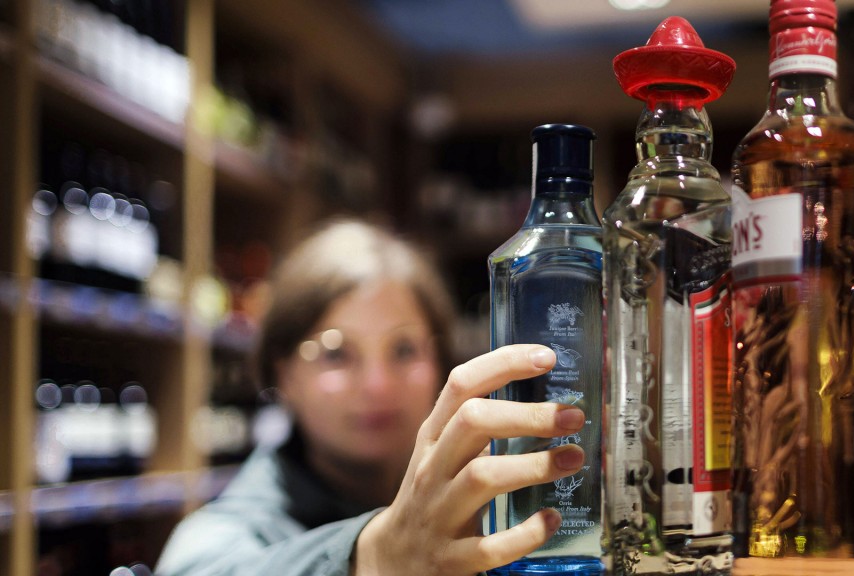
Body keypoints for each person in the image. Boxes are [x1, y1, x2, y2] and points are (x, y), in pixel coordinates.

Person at [155, 219, 587, 575]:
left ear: (440, 361)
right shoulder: (229, 529)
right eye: (336, 354)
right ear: (282, 374)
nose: (377, 384)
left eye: (404, 350)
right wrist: (379, 556)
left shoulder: (496, 498)